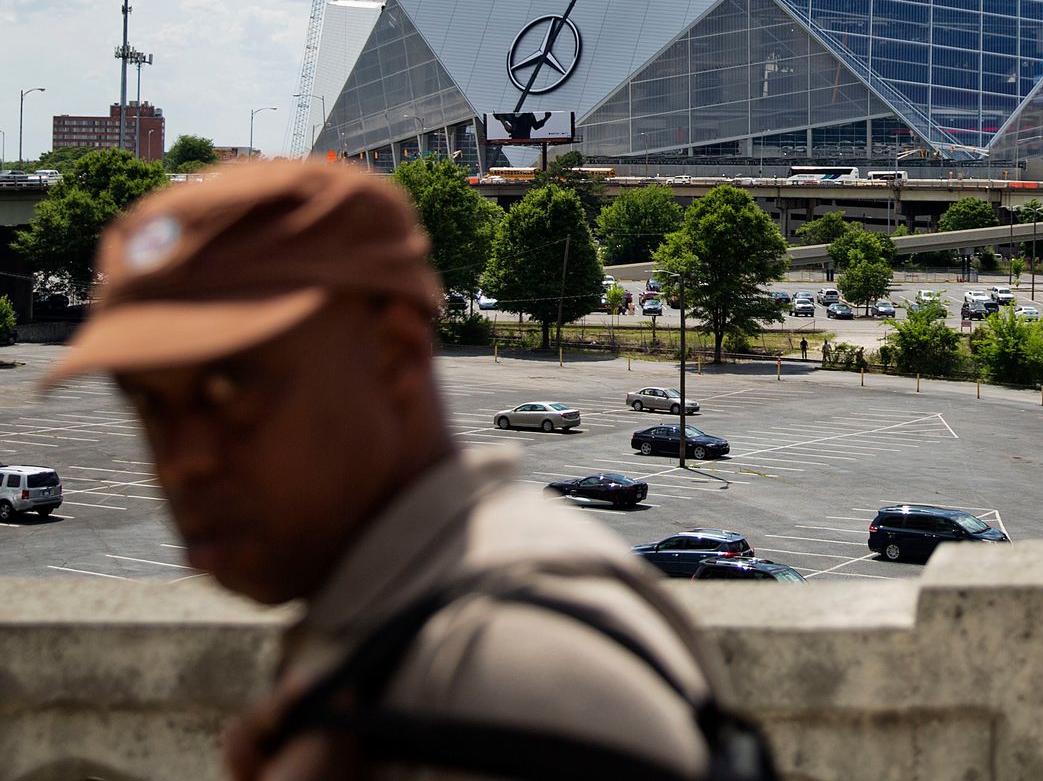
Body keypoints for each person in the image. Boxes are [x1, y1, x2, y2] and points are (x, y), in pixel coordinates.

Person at [44, 159, 769, 780]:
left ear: (392, 351)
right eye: (147, 402)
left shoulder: (498, 681)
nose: (184, 460)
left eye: (231, 388)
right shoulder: (424, 617)